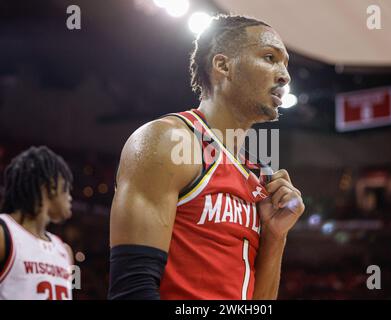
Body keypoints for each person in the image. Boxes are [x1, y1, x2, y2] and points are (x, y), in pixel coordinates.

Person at [109, 14, 305, 300]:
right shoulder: (167, 141)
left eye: (286, 64)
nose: (285, 75)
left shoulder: (259, 174)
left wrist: (275, 236)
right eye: (269, 57)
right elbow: (132, 291)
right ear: (223, 65)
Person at [0, 146, 74, 300]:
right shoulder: (3, 234)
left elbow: (73, 291)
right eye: (67, 187)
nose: (70, 197)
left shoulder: (66, 251)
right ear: (50, 185)